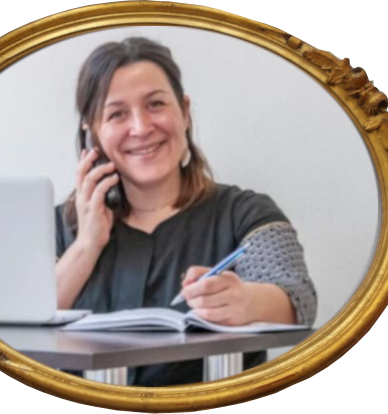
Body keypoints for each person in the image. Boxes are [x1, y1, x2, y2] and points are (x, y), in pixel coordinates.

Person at [55, 37, 317, 386]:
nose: (141, 128)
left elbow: (300, 300)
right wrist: (86, 246)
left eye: (155, 104)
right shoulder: (54, 226)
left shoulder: (244, 213)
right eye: (117, 114)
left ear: (185, 111)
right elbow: (14, 325)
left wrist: (247, 301)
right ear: (92, 133)